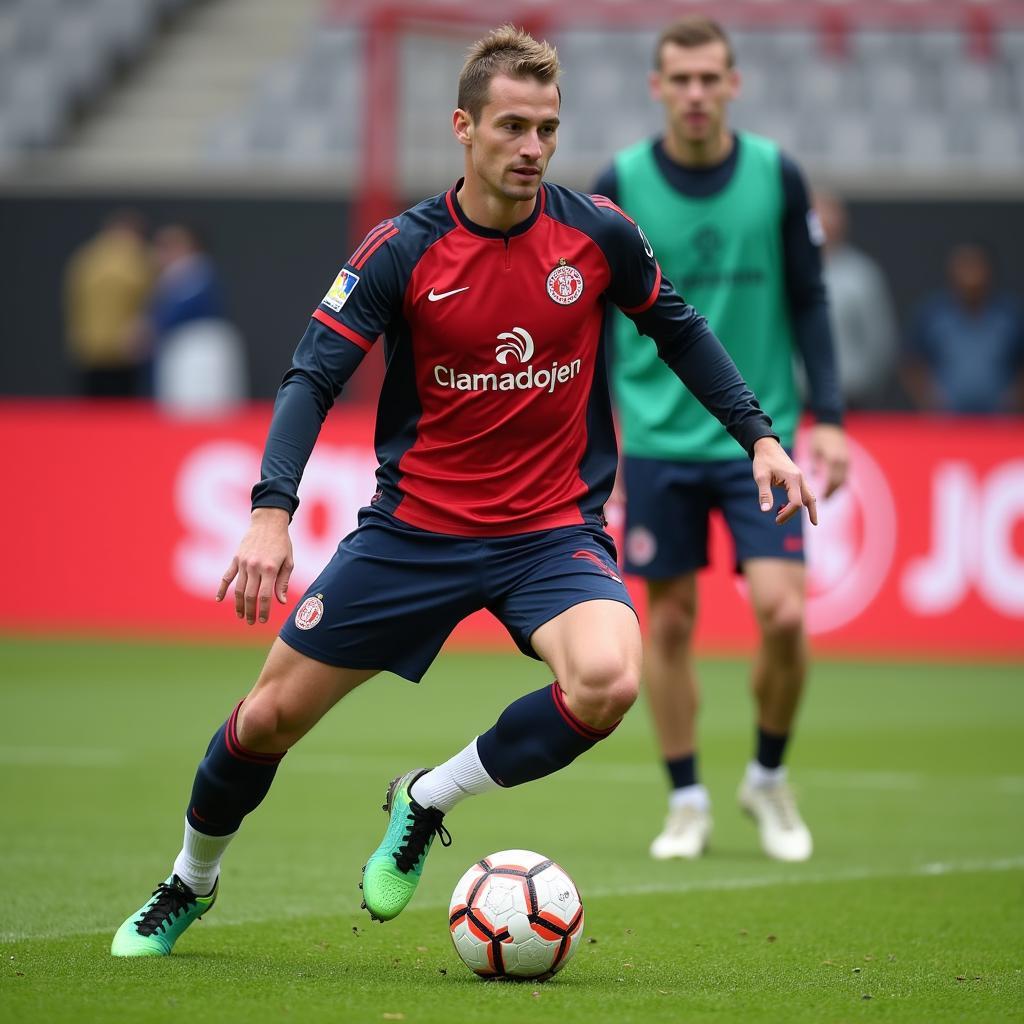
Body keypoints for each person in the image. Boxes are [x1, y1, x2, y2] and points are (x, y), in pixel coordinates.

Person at [111, 24, 817, 957]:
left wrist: (760, 438)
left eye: (547, 129)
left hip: (548, 534)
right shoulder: (401, 250)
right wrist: (269, 514)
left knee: (607, 680)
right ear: (464, 127)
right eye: (513, 127)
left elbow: (679, 329)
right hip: (415, 532)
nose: (532, 149)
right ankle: (187, 882)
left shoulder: (596, 233)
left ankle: (428, 797)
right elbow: (311, 377)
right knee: (267, 718)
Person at [592, 16, 848, 864]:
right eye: (681, 79)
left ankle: (768, 777)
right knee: (666, 627)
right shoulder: (619, 180)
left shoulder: (778, 176)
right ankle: (687, 799)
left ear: (733, 84)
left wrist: (833, 420)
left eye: (711, 78)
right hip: (661, 442)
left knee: (781, 612)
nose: (696, 93)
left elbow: (810, 301)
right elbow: (588, 320)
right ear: (657, 87)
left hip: (759, 441)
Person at [902, 243, 1024, 415]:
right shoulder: (933, 314)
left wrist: (1014, 400)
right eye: (964, 267)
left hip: (999, 424)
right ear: (951, 271)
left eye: (976, 267)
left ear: (989, 271)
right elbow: (912, 363)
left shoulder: (1009, 315)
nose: (970, 276)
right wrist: (930, 399)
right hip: (947, 423)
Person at [148, 223, 247, 415]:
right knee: (179, 409)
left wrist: (153, 328)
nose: (161, 253)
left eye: (169, 245)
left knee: (206, 408)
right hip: (179, 352)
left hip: (199, 352)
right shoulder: (169, 277)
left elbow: (178, 311)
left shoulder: (196, 271)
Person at [814, 189, 899, 410]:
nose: (823, 225)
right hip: (799, 396)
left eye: (829, 218)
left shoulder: (862, 274)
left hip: (851, 397)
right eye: (815, 217)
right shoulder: (788, 271)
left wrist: (869, 387)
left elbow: (879, 340)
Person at [62, 209, 152, 398]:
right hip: (123, 349)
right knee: (120, 410)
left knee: (93, 406)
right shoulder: (136, 261)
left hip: (89, 345)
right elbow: (151, 299)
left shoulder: (86, 258)